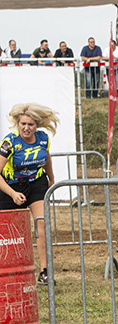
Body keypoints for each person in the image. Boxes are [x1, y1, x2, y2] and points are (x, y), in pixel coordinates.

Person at [0, 103, 60, 284]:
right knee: (6, 231)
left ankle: (45, 271)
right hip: (10, 186)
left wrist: (51, 178)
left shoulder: (43, 138)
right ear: (17, 124)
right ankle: (7, 270)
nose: (26, 128)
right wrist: (12, 194)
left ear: (37, 126)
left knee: (41, 223)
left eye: (30, 124)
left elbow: (46, 157)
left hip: (36, 184)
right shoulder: (9, 142)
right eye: (23, 124)